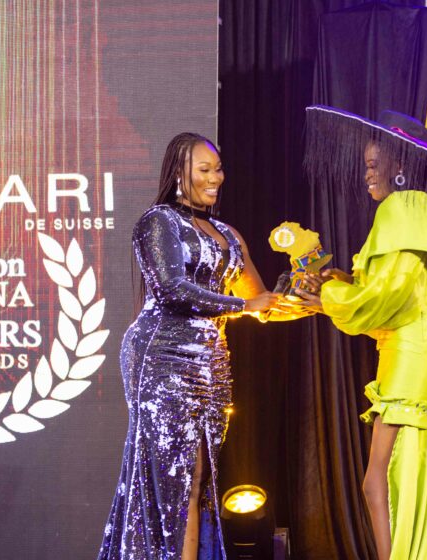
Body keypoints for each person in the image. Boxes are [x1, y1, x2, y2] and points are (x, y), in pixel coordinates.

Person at [297, 106, 427, 560]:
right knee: (398, 472)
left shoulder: (400, 208)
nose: (366, 174)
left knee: (379, 478)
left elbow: (389, 294)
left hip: (412, 350)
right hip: (417, 343)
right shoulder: (421, 209)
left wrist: (327, 298)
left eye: (372, 164)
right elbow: (398, 293)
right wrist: (342, 281)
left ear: (398, 165)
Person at [99, 132, 283, 560]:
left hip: (211, 363)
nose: (215, 177)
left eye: (218, 169)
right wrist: (243, 305)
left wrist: (305, 291)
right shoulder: (158, 221)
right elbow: (172, 289)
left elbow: (261, 301)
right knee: (173, 477)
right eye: (204, 170)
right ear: (179, 173)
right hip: (162, 356)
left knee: (198, 477)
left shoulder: (228, 234)